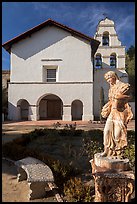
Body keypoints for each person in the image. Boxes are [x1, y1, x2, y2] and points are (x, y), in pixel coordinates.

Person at [100, 71, 133, 157]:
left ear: (114, 76)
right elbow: (111, 101)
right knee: (107, 131)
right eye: (107, 79)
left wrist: (119, 97)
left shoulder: (123, 86)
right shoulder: (111, 89)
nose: (108, 81)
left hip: (121, 112)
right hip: (112, 112)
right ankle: (107, 150)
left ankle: (118, 153)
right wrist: (106, 108)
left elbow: (129, 97)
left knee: (118, 133)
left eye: (109, 78)